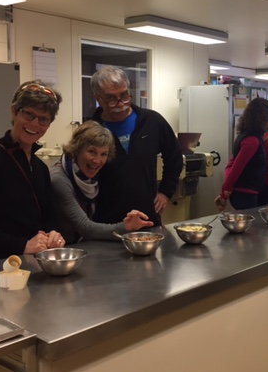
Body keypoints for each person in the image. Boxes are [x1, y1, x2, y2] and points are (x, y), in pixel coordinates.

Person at [0, 81, 65, 265]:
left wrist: (53, 234)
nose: (35, 124)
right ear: (14, 112)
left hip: (31, 262)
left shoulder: (40, 167)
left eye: (43, 119)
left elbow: (48, 216)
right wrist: (22, 245)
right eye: (28, 114)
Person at [90, 66, 183, 227]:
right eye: (111, 98)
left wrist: (165, 192)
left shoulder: (152, 121)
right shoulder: (91, 130)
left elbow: (174, 157)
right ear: (98, 99)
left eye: (124, 95)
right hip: (107, 223)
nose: (121, 103)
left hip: (147, 217)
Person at [50, 121, 153, 244]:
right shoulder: (59, 179)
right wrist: (125, 227)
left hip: (84, 245)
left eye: (103, 154)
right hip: (64, 249)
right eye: (92, 151)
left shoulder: (89, 174)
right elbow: (85, 227)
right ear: (77, 149)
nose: (97, 161)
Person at [215, 98, 268, 210]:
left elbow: (230, 165)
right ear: (262, 117)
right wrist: (224, 193)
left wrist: (226, 190)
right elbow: (236, 169)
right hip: (246, 195)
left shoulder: (244, 136)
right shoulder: (252, 141)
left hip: (241, 194)